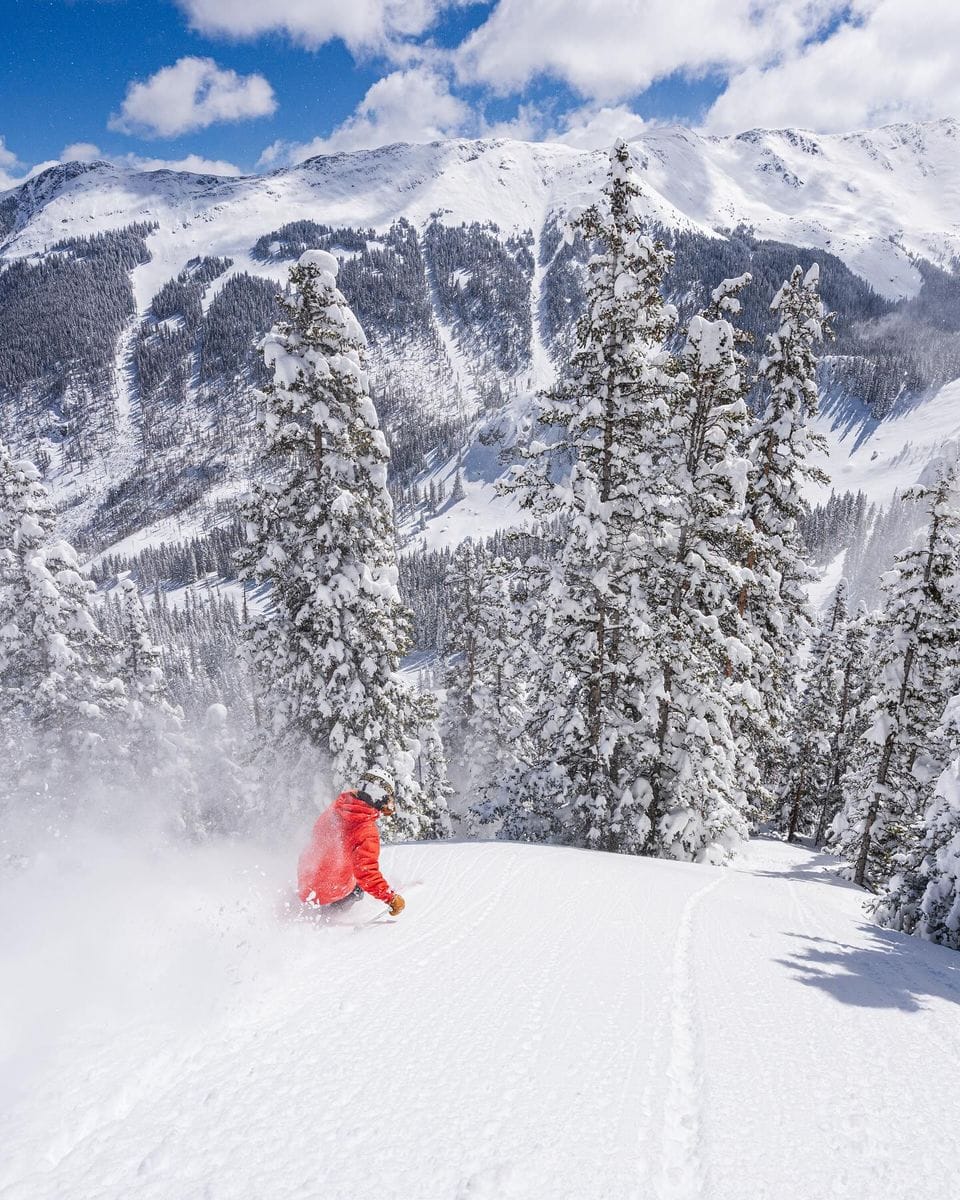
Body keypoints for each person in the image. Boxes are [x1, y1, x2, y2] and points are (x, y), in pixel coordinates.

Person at [297, 768, 406, 916]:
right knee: (359, 887)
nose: (388, 806)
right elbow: (366, 874)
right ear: (379, 797)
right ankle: (332, 915)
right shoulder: (366, 830)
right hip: (330, 891)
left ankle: (312, 903)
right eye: (387, 799)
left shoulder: (337, 807)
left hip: (305, 884)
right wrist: (391, 898)